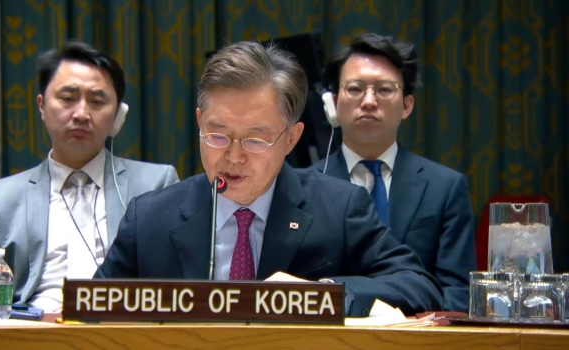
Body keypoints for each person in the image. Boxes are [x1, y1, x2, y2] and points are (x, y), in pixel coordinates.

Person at [95, 41, 443, 317]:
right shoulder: (150, 218)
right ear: (200, 122)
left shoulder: (339, 209)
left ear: (291, 138)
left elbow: (417, 285)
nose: (233, 156)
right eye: (217, 135)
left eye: (255, 140)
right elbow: (91, 310)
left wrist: (321, 294)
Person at [0, 41, 180, 315]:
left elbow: (177, 294)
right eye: (67, 98)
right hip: (31, 334)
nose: (82, 114)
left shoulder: (156, 184)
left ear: (117, 117)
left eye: (97, 102)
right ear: (41, 105)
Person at [314, 33, 476, 312]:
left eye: (385, 89)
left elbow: (459, 295)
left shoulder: (445, 188)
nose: (368, 101)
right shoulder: (306, 186)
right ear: (333, 103)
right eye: (354, 88)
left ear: (407, 105)